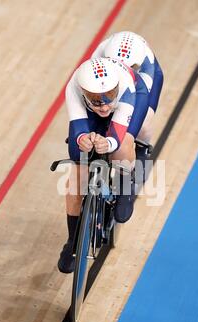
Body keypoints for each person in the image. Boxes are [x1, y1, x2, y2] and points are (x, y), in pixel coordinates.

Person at [59, 57, 149, 273]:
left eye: (109, 98)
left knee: (123, 144)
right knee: (78, 169)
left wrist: (106, 142)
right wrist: (83, 139)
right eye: (97, 101)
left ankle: (125, 189)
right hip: (87, 109)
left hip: (135, 97)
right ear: (83, 93)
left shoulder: (127, 88)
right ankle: (72, 240)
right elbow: (79, 127)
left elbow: (116, 136)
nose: (105, 105)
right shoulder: (73, 88)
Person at [92, 31, 164, 169]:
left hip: (143, 82)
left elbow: (137, 100)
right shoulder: (99, 54)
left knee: (143, 122)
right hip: (110, 81)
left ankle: (143, 153)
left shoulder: (146, 64)